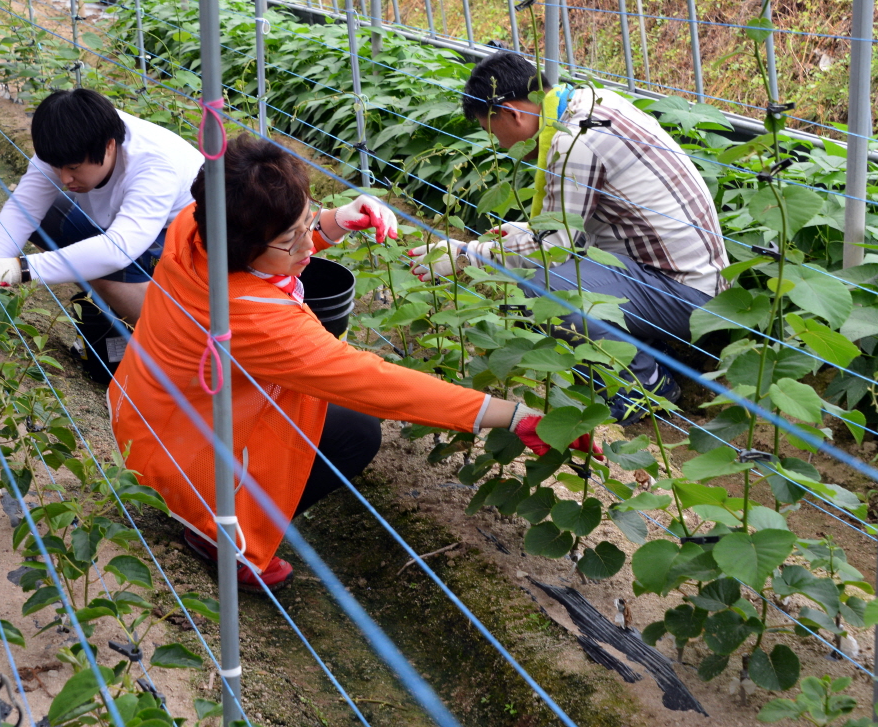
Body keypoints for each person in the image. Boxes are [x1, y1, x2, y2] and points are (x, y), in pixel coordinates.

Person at [108, 135, 565, 592]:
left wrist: (334, 221)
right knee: (355, 433)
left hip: (146, 412)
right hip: (180, 456)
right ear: (241, 248)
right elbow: (375, 381)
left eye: (308, 219)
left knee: (322, 414)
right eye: (294, 237)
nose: (309, 242)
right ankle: (223, 536)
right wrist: (514, 416)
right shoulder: (253, 319)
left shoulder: (196, 222)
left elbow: (274, 247)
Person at [408, 52, 730, 426]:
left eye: (493, 131)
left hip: (684, 294)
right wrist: (525, 232)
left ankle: (645, 385)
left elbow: (554, 248)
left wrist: (466, 254)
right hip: (680, 275)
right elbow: (581, 216)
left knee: (544, 288)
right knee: (542, 264)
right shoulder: (591, 104)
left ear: (513, 113)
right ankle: (640, 347)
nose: (499, 144)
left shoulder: (574, 141)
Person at [0, 88, 204, 325]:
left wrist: (19, 269)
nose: (64, 179)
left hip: (187, 237)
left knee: (105, 272)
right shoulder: (68, 139)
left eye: (74, 169)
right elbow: (24, 207)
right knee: (46, 220)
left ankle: (165, 333)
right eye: (57, 167)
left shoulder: (152, 167)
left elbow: (118, 250)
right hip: (128, 227)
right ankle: (113, 307)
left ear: (109, 147)